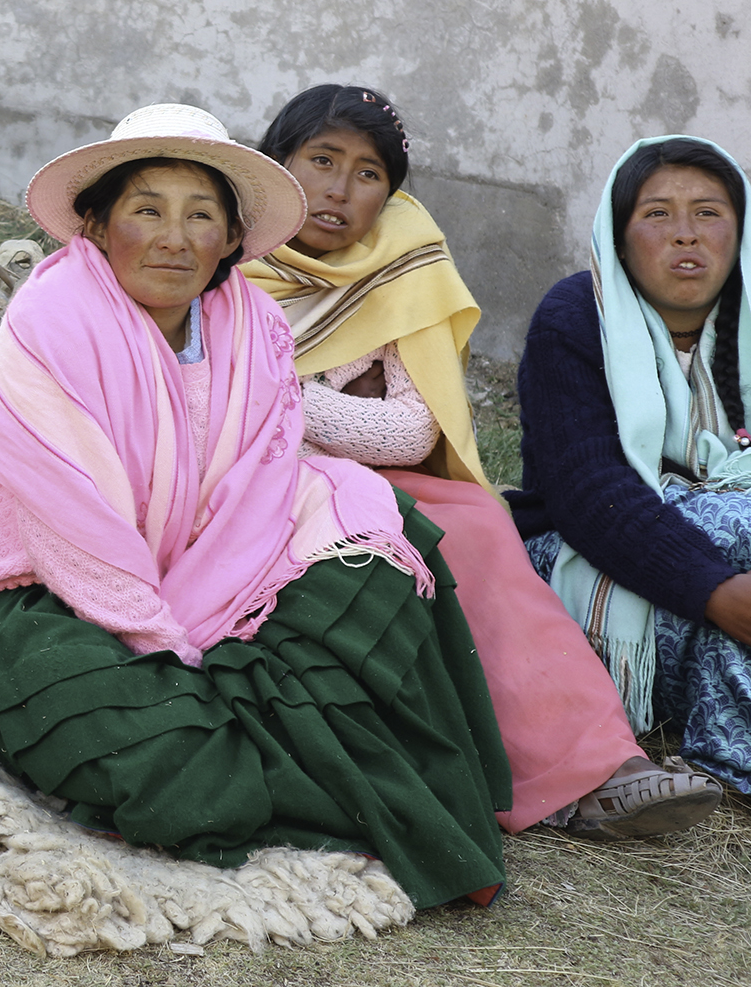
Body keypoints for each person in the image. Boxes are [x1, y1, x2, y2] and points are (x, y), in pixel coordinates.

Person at [0, 103, 511, 910]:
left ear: (231, 240)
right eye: (147, 209)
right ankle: (306, 771)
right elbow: (79, 532)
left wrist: (208, 636)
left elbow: (259, 492)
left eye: (200, 214)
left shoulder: (256, 328)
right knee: (164, 756)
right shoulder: (48, 322)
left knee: (374, 549)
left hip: (196, 579)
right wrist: (170, 648)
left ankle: (267, 747)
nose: (175, 237)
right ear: (98, 226)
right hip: (32, 588)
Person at [245, 85, 721, 839]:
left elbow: (410, 429)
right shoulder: (220, 249)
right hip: (231, 481)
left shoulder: (401, 269)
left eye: (369, 174)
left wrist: (282, 396)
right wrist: (306, 409)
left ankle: (600, 768)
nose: (339, 189)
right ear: (277, 164)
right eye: (321, 160)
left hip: (371, 478)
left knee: (474, 532)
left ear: (391, 195)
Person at [514, 135, 751, 797]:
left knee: (722, 629)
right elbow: (589, 493)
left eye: (708, 213)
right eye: (656, 215)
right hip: (591, 558)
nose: (685, 234)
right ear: (618, 239)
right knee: (736, 527)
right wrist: (719, 593)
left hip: (715, 576)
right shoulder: (576, 318)